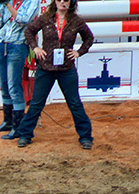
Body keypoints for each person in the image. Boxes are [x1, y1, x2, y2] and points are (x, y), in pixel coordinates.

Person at [16, 0, 94, 149]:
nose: (62, 2)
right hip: (46, 68)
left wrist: (79, 52)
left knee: (74, 103)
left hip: (66, 69)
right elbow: (29, 31)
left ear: (71, 2)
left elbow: (89, 38)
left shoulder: (76, 21)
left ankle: (85, 136)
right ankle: (25, 134)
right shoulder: (46, 18)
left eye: (65, 0)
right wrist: (35, 48)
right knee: (37, 103)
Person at [0, 0, 38, 140]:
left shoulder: (31, 2)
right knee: (4, 85)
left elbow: (23, 19)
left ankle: (17, 127)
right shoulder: (10, 2)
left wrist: (7, 5)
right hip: (2, 43)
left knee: (13, 86)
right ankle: (8, 121)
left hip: (17, 45)